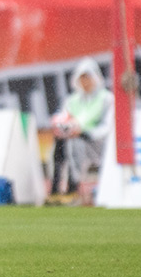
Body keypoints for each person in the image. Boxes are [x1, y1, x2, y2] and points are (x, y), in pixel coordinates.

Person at [48, 58, 113, 202]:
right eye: (82, 78)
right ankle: (55, 187)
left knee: (74, 144)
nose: (85, 82)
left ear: (96, 77)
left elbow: (107, 127)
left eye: (88, 77)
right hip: (72, 138)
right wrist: (62, 127)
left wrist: (85, 133)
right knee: (60, 143)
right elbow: (64, 119)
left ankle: (73, 186)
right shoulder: (72, 101)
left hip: (97, 143)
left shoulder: (106, 99)